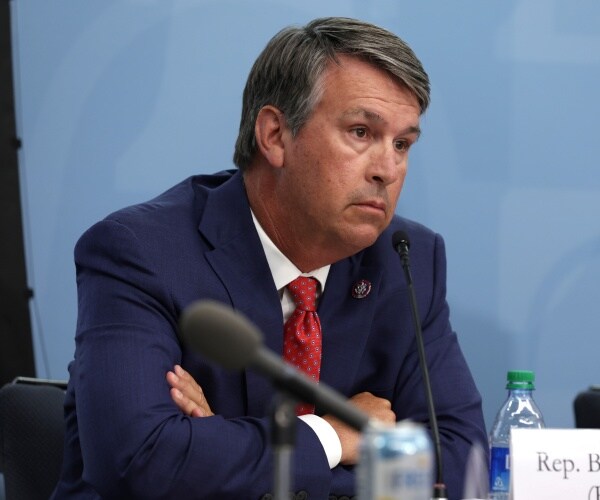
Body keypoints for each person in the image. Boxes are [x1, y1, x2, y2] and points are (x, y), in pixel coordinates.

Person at [52, 17, 487, 499]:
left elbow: (459, 463)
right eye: (361, 132)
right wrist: (331, 438)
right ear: (276, 135)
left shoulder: (407, 260)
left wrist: (220, 445)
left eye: (402, 144)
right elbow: (143, 459)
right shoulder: (143, 253)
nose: (388, 169)